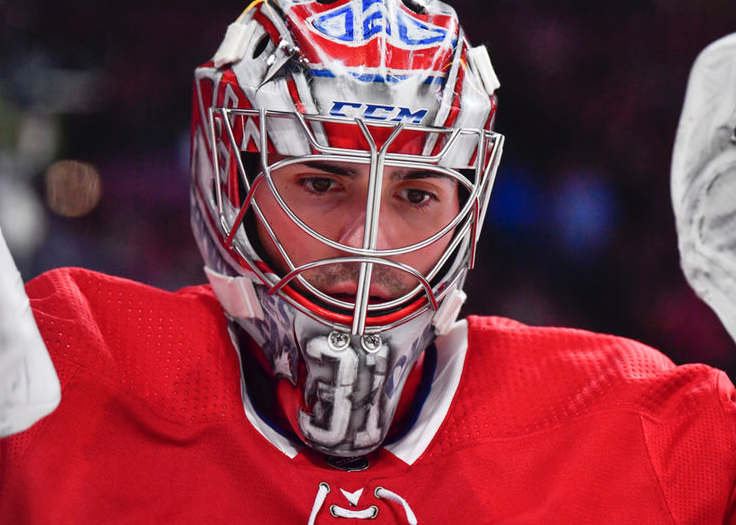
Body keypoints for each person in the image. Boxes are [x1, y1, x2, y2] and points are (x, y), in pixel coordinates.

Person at [1, 1, 735, 523]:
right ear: (233, 187)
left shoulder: (640, 430)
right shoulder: (65, 365)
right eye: (322, 182)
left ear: (467, 209)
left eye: (416, 192)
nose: (368, 237)